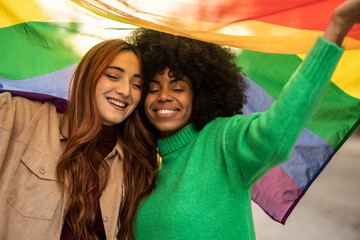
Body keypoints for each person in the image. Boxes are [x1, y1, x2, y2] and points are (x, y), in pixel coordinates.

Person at [127, 0, 360, 239]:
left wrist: (337, 27)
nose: (164, 96)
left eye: (177, 88)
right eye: (153, 88)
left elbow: (276, 132)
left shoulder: (224, 141)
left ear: (200, 94)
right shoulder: (143, 165)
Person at [0, 39, 157, 240]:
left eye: (137, 84)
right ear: (88, 77)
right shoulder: (18, 115)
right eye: (112, 76)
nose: (125, 91)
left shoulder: (136, 163)